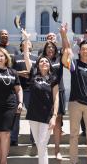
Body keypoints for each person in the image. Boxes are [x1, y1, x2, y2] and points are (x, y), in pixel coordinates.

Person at [60, 23, 87, 164]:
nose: (85, 51)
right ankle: (73, 161)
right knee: (73, 135)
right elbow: (67, 49)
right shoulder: (74, 65)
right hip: (75, 103)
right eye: (83, 49)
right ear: (80, 51)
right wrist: (64, 34)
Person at [21, 30, 59, 164]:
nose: (44, 63)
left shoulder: (53, 79)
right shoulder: (34, 75)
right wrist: (26, 40)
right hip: (33, 114)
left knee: (42, 144)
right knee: (39, 145)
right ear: (38, 64)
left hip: (46, 115)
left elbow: (56, 98)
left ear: (49, 65)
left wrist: (54, 116)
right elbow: (26, 55)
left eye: (46, 62)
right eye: (41, 61)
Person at [40, 40, 65, 160]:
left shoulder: (59, 59)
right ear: (45, 50)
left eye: (52, 47)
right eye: (48, 47)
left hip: (59, 91)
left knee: (58, 121)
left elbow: (67, 50)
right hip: (45, 92)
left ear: (55, 49)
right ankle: (42, 148)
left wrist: (63, 35)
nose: (50, 49)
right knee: (44, 121)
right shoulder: (42, 60)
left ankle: (57, 150)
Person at [10, 41, 38, 146]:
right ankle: (13, 138)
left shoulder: (36, 58)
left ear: (32, 46)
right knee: (16, 114)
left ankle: (34, 138)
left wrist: (31, 74)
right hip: (18, 89)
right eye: (24, 43)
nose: (27, 44)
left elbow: (38, 72)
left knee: (33, 115)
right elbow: (10, 71)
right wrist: (21, 73)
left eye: (29, 43)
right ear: (21, 46)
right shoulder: (15, 58)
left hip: (32, 90)